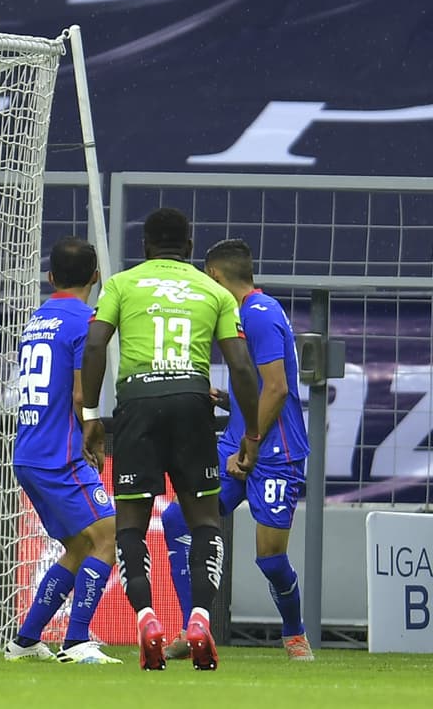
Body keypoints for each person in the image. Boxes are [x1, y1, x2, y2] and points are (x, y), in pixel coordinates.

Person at [79, 207, 260, 671]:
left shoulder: (121, 284)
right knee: (204, 522)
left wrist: (91, 416)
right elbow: (240, 366)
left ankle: (145, 619)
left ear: (144, 247)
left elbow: (96, 345)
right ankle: (199, 619)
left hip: (138, 405)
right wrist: (252, 432)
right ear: (191, 247)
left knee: (131, 525)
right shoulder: (213, 290)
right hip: (192, 403)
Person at [160, 239, 315, 662]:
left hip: (275, 452)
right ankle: (192, 629)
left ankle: (294, 633)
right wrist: (227, 399)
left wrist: (249, 446)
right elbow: (264, 387)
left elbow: (279, 389)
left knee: (270, 559)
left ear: (214, 278)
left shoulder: (258, 315)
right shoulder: (249, 312)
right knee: (178, 519)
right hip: (242, 439)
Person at [3, 237, 122, 665]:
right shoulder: (85, 322)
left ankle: (26, 640)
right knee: (108, 534)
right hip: (61, 454)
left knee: (77, 547)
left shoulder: (38, 319)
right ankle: (76, 642)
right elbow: (78, 393)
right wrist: (95, 426)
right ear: (96, 277)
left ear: (50, 277)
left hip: (29, 451)